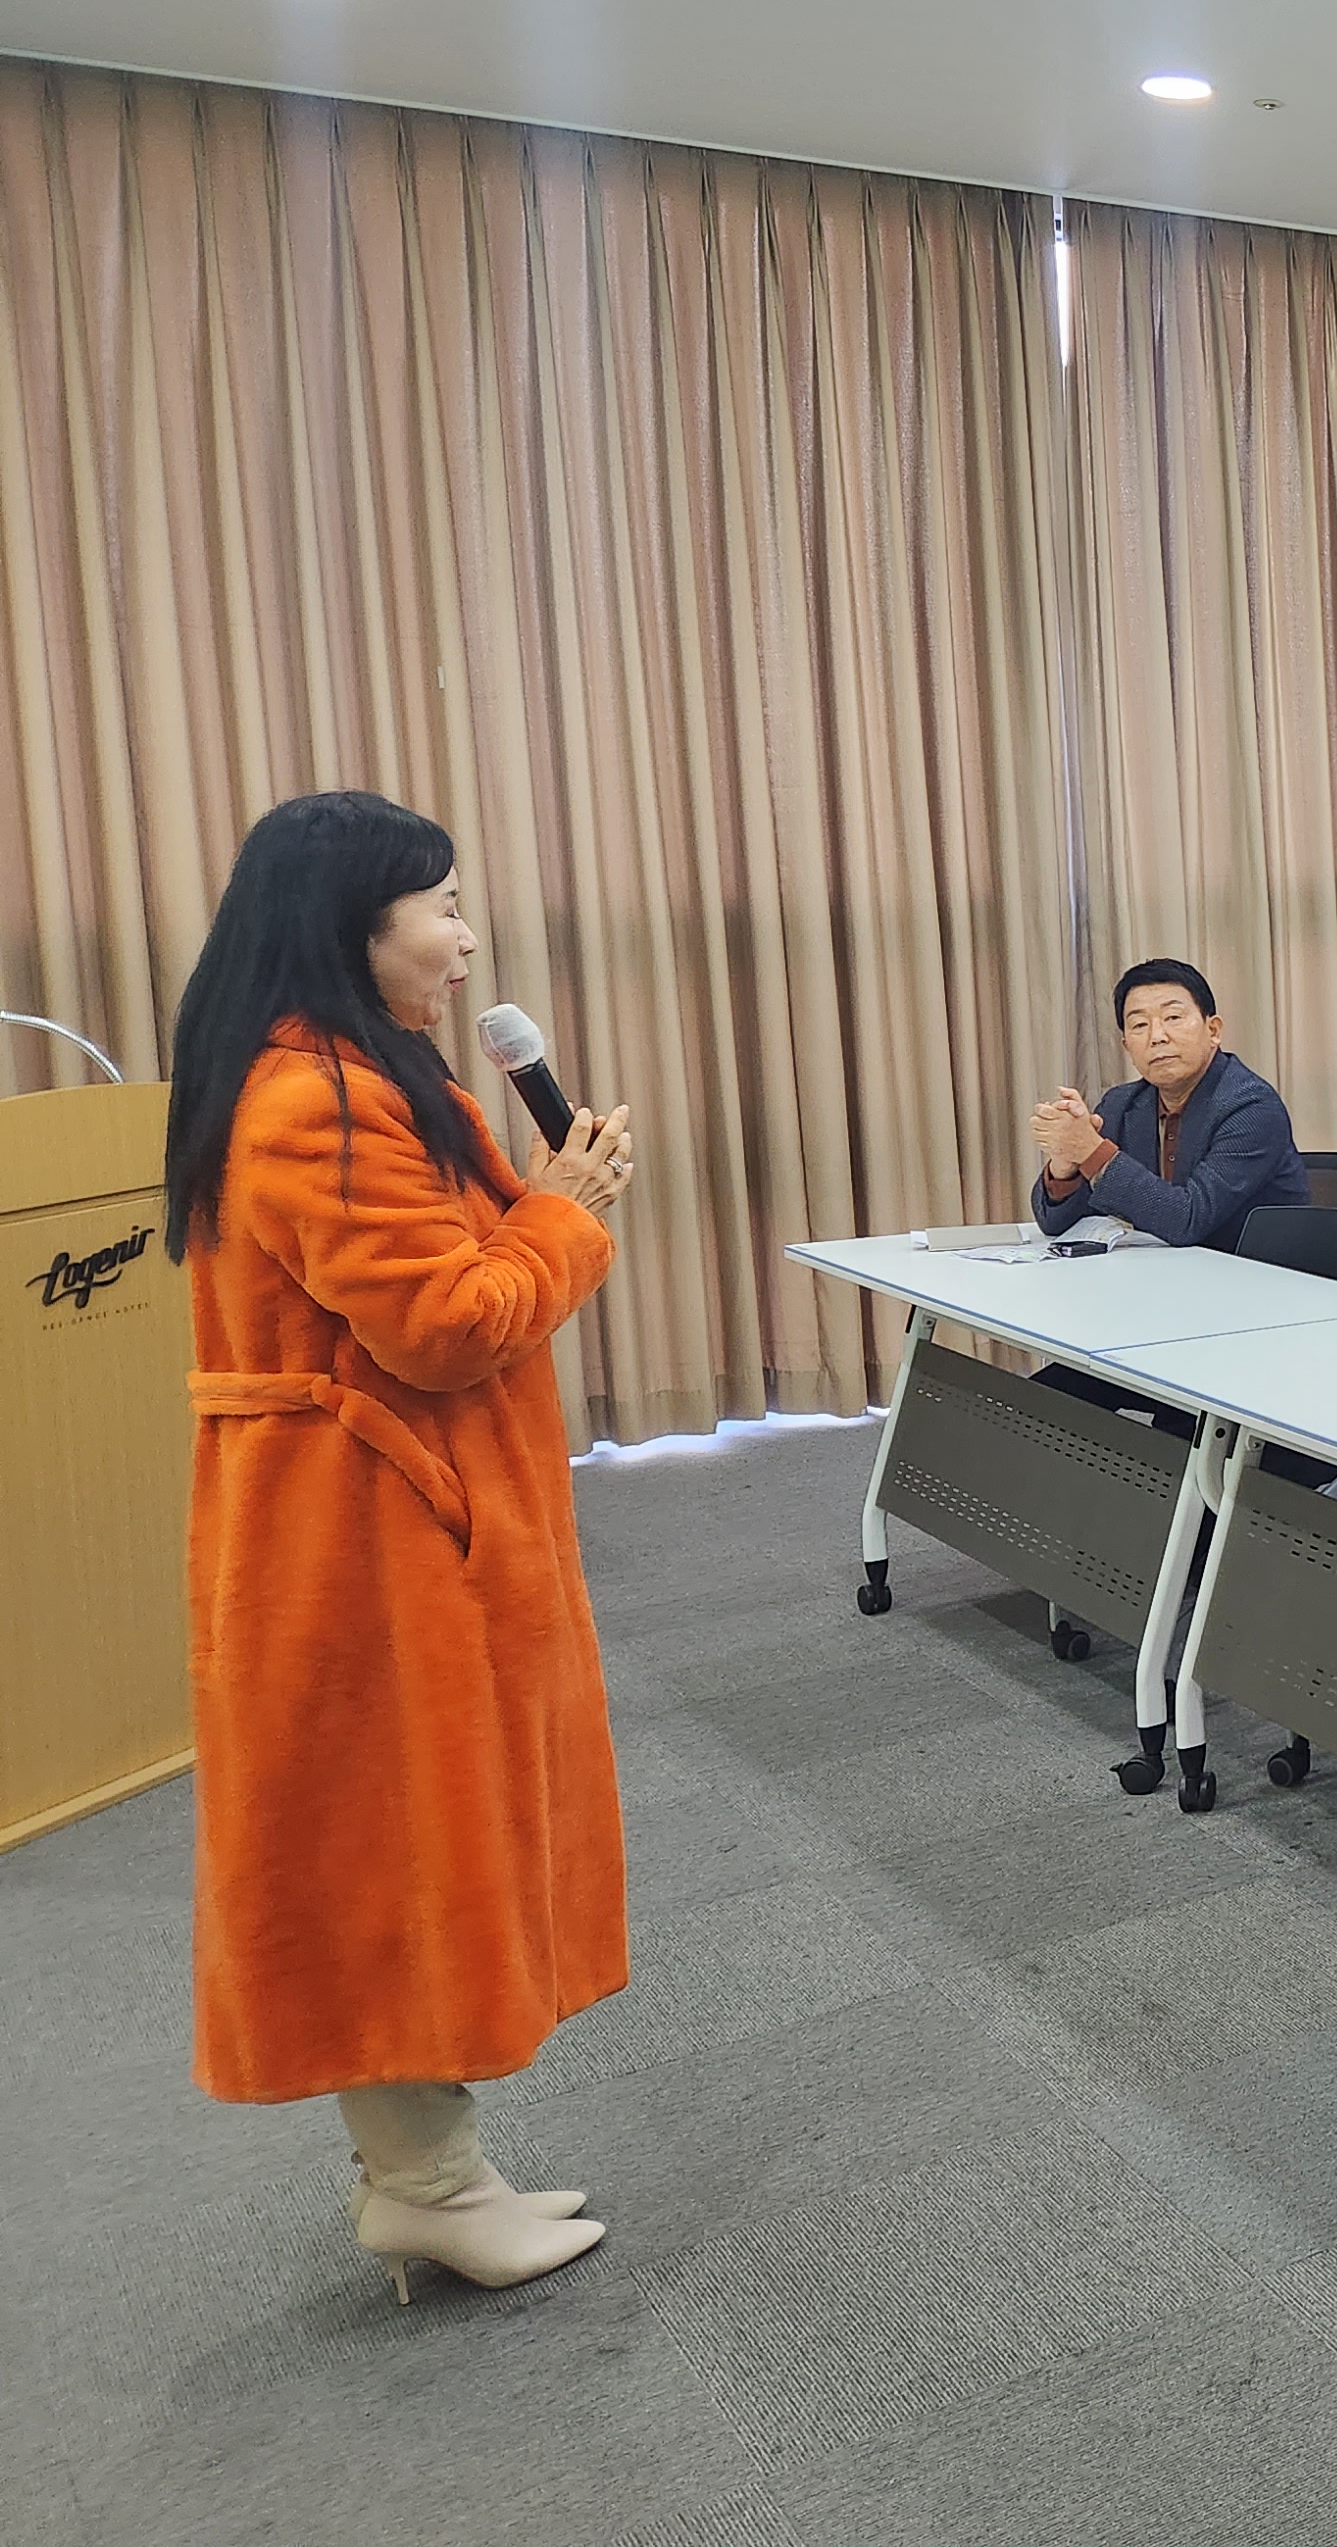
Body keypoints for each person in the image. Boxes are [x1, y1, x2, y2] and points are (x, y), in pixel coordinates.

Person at [161, 790, 638, 2302]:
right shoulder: (315, 1099)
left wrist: (546, 1208)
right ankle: (427, 2188)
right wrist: (564, 1214)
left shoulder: (351, 1071)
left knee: (407, 1839)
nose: (465, 938)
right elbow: (441, 1326)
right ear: (348, 927)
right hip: (361, 1535)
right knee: (388, 1849)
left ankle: (433, 2173)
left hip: (381, 1511)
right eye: (438, 907)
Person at [1029, 959, 1308, 1246]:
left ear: (1213, 1030)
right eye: (1139, 1024)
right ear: (1126, 1046)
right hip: (1166, 1268)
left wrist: (1091, 1150)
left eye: (1173, 1017)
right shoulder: (1121, 1104)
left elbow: (1187, 1220)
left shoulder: (1252, 1106)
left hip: (1253, 1269)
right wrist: (1066, 1163)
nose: (1157, 1037)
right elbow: (1056, 1224)